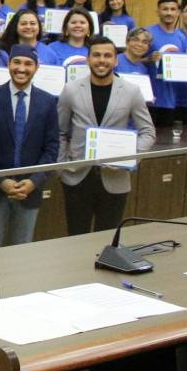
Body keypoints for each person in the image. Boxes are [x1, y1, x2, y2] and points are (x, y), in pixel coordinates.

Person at [57, 36, 155, 235]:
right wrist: (62, 166)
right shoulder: (71, 89)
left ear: (116, 60)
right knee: (75, 238)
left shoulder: (131, 91)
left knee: (108, 239)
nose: (101, 60)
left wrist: (129, 157)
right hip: (77, 177)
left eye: (107, 56)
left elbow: (148, 132)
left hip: (115, 178)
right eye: (96, 55)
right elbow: (60, 131)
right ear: (88, 59)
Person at [0, 44, 60, 249]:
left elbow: (51, 148)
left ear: (37, 67)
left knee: (23, 248)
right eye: (17, 62)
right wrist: (1, 180)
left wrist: (34, 181)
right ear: (8, 64)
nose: (21, 68)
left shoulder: (48, 102)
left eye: (28, 64)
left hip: (30, 190)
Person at [146, 0, 184, 127]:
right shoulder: (147, 33)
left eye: (173, 9)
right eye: (165, 9)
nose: (169, 13)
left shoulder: (181, 37)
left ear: (178, 12)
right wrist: (148, 59)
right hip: (149, 99)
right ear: (158, 11)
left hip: (171, 100)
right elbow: (132, 58)